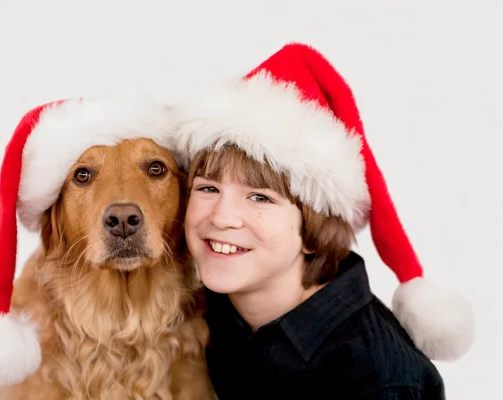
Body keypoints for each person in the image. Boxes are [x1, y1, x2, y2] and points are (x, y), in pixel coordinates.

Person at [170, 43, 475, 399]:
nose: (221, 217)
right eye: (207, 188)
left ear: (313, 233)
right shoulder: (206, 313)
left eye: (260, 197)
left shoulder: (377, 378)